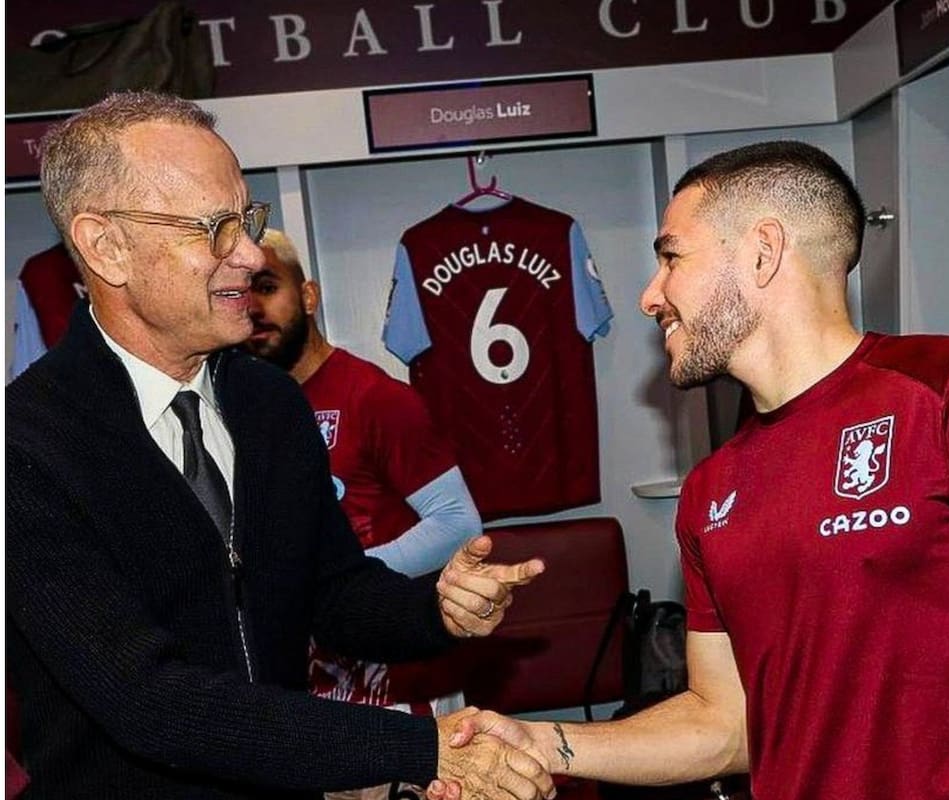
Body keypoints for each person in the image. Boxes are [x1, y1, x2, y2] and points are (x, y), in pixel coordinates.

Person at [438, 141, 949, 800]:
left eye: (671, 258)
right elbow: (725, 726)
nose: (648, 295)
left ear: (763, 251)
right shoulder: (710, 491)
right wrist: (549, 744)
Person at [6, 91, 554, 800]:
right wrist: (420, 749)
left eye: (247, 220)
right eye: (214, 229)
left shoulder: (267, 401)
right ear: (105, 246)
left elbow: (329, 589)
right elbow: (148, 700)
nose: (250, 254)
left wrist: (433, 610)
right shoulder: (25, 447)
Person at [243, 230, 483, 795]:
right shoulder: (247, 407)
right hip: (305, 690)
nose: (253, 309)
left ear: (308, 295)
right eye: (240, 292)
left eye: (268, 287)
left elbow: (458, 525)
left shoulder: (375, 397)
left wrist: (335, 584)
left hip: (396, 685)